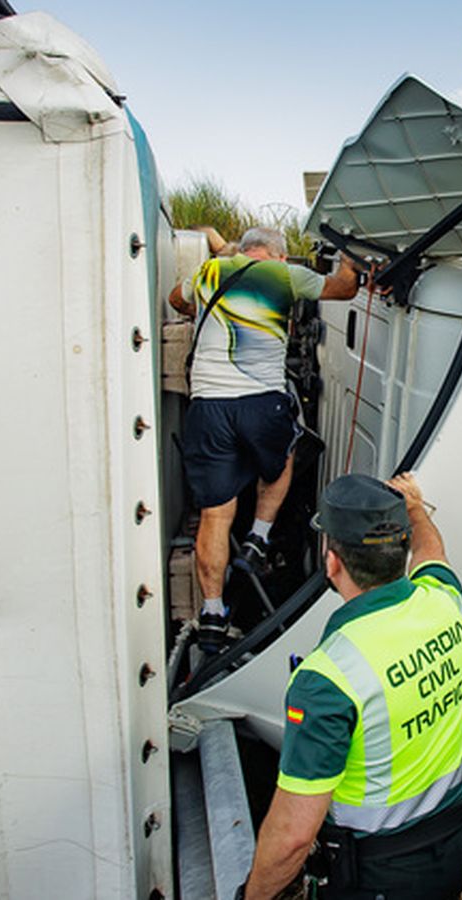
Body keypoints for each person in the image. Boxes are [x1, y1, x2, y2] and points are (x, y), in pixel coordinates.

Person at [239, 472, 462, 900]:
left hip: (379, 877)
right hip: (454, 846)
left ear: (331, 561)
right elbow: (433, 551)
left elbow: (293, 837)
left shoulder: (329, 678)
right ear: (401, 550)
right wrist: (416, 508)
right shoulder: (445, 602)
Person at [168, 227, 360, 650]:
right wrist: (350, 259)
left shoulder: (210, 272)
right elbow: (345, 290)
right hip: (261, 402)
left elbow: (176, 301)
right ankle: (257, 538)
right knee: (284, 457)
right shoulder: (285, 275)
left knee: (215, 515)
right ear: (279, 253)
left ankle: (213, 614)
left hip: (208, 406)